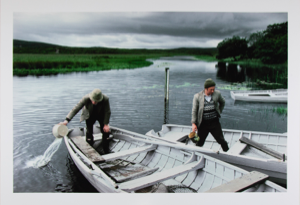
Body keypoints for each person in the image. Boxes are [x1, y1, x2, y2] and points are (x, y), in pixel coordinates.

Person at [59, 88, 111, 154]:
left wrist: (106, 124)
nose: (94, 102)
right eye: (93, 100)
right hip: (89, 115)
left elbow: (107, 111)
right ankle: (89, 149)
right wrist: (66, 120)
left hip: (101, 114)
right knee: (89, 132)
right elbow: (76, 109)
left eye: (96, 101)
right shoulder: (86, 98)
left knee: (105, 131)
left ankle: (106, 150)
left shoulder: (105, 99)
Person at [191, 78, 229, 152]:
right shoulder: (197, 96)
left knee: (221, 140)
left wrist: (219, 111)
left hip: (214, 123)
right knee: (199, 142)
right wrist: (193, 123)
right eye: (211, 89)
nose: (213, 91)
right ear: (206, 88)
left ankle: (228, 153)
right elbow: (194, 110)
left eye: (213, 89)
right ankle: (196, 154)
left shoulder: (217, 94)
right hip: (203, 124)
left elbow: (222, 102)